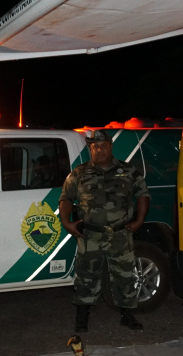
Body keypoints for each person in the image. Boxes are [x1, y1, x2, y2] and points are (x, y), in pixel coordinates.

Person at [59, 129, 150, 332]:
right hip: (90, 235)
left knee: (125, 276)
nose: (99, 150)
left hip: (120, 234)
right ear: (91, 149)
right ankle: (82, 317)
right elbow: (65, 198)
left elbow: (143, 194)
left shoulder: (128, 171)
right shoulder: (79, 173)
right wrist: (67, 223)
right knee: (86, 277)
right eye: (94, 147)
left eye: (102, 146)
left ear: (110, 147)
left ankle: (127, 315)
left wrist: (139, 221)